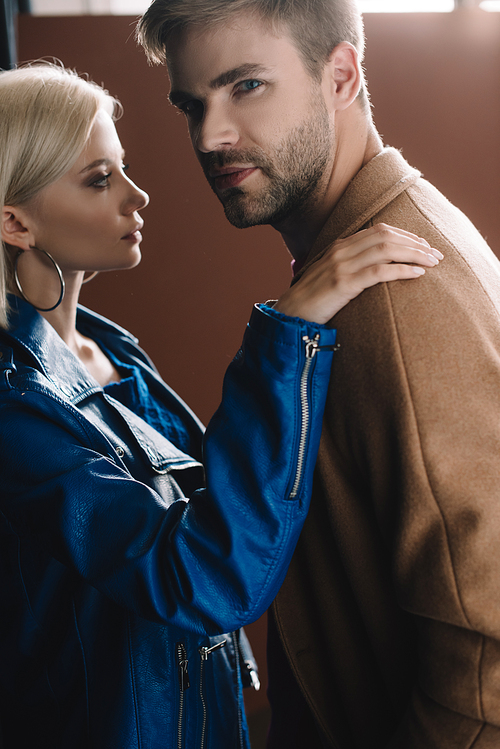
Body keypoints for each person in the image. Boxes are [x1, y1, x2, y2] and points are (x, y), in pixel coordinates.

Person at [0, 62, 437, 749]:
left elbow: (214, 500)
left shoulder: (109, 347)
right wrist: (288, 330)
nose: (137, 196)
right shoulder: (13, 407)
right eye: (99, 179)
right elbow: (200, 575)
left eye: (122, 168)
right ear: (15, 221)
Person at [137, 2, 500, 747]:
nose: (211, 137)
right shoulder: (358, 256)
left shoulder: (397, 300)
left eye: (246, 87)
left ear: (341, 74)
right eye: (192, 104)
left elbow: (486, 672)